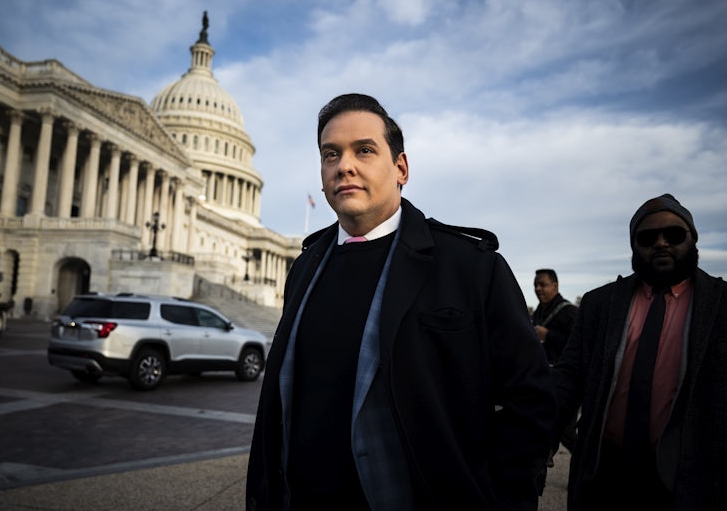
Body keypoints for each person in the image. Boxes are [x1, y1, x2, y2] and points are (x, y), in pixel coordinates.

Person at [245, 93, 556, 511]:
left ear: (401, 169)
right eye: (331, 154)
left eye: (364, 150)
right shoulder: (304, 266)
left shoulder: (471, 266)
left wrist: (500, 497)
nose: (344, 166)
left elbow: (531, 400)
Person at [551, 194, 727, 510]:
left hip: (688, 476)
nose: (661, 243)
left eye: (673, 234)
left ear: (693, 238)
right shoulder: (599, 304)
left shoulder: (721, 304)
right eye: (647, 237)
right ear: (633, 245)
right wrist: (539, 439)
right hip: (605, 474)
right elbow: (569, 378)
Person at [532, 269, 579, 453]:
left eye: (542, 284)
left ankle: (587, 466)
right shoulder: (539, 311)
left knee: (566, 432)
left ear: (555, 286)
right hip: (544, 379)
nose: (538, 289)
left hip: (565, 382)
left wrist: (549, 335)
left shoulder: (570, 312)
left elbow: (580, 346)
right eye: (535, 285)